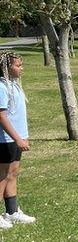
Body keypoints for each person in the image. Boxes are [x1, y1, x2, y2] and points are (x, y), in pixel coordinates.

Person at [0, 52, 34, 229]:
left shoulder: (14, 85)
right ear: (6, 67)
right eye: (18, 65)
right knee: (2, 176)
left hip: (17, 139)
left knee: (12, 174)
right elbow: (1, 116)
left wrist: (23, 136)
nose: (21, 68)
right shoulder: (1, 86)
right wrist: (16, 138)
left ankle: (12, 212)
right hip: (5, 140)